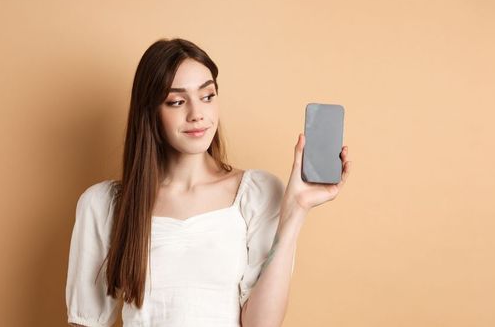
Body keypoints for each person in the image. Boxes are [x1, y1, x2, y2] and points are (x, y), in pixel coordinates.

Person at [65, 38, 351, 326]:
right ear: (149, 112)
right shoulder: (105, 205)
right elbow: (86, 321)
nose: (197, 114)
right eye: (177, 101)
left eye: (207, 96)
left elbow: (261, 324)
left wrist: (296, 211)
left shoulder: (257, 193)